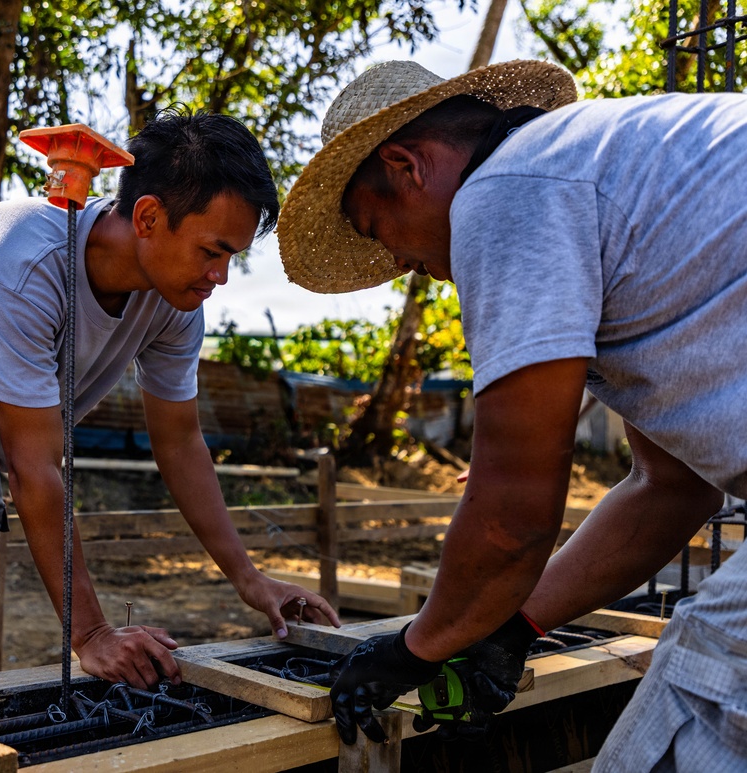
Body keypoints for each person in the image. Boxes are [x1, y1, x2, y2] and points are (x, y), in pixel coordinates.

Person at [278, 59, 747, 770]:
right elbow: (671, 488)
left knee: (677, 732)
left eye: (381, 230)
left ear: (406, 166)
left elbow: (512, 512)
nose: (403, 260)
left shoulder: (504, 194)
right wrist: (514, 624)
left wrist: (413, 649)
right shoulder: (598, 168)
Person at [0, 111, 340, 690]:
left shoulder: (175, 303)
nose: (222, 275)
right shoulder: (24, 259)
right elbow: (33, 466)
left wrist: (250, 580)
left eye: (231, 256)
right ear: (149, 216)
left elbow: (181, 442)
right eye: (213, 250)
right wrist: (89, 634)